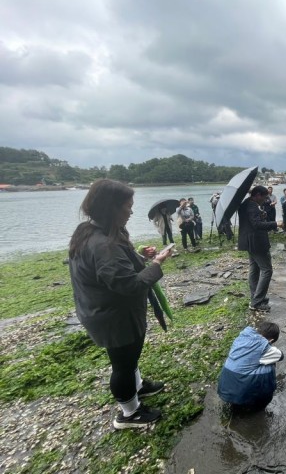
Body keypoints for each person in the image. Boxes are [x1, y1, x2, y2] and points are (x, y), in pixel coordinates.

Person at [68, 179, 172, 429]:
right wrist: (156, 264)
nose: (131, 211)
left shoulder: (92, 230)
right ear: (111, 208)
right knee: (122, 364)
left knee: (129, 357)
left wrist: (140, 256)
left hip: (105, 310)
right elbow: (130, 285)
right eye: (128, 206)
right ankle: (129, 414)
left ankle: (137, 387)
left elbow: (115, 267)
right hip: (113, 316)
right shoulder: (103, 244)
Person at [217, 322, 284, 410]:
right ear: (271, 340)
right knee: (269, 365)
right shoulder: (265, 347)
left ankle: (236, 402)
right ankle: (258, 403)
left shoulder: (242, 337)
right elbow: (281, 356)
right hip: (241, 395)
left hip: (224, 390)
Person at [238, 185, 282, 311]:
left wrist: (261, 215)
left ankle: (255, 297)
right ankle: (257, 302)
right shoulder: (251, 206)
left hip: (250, 242)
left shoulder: (247, 203)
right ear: (258, 195)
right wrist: (275, 223)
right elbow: (256, 225)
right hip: (256, 242)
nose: (265, 200)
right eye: (264, 197)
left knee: (254, 269)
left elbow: (253, 221)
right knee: (267, 270)